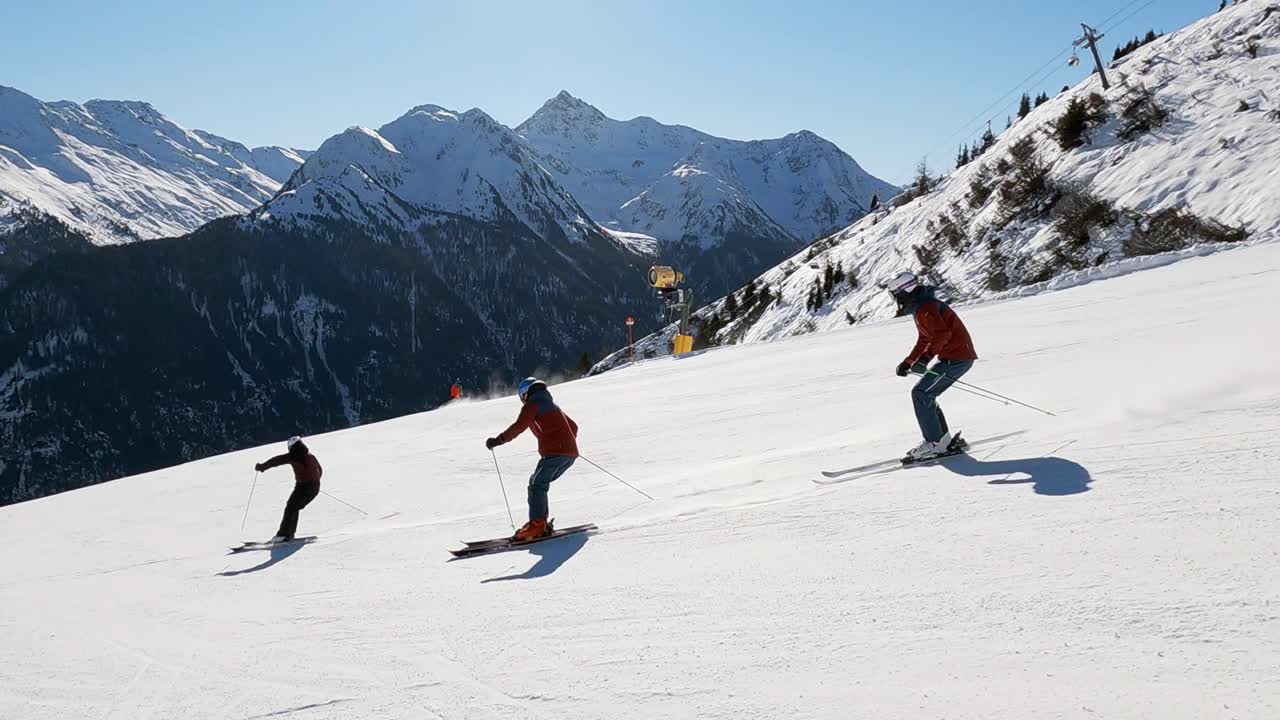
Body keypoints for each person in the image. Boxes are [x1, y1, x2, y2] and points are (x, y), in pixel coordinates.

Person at [885, 271, 979, 460]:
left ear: (904, 291)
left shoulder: (926, 307)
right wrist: (909, 361)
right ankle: (941, 441)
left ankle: (935, 444)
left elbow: (941, 335)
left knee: (921, 393)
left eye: (895, 294)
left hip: (957, 359)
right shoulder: (922, 306)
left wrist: (924, 359)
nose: (895, 299)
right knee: (926, 394)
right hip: (954, 357)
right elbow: (925, 338)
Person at [485, 377, 579, 541]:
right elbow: (574, 427)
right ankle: (540, 523)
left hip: (554, 454)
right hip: (568, 455)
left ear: (525, 394)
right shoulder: (552, 405)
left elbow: (519, 426)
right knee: (538, 483)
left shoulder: (533, 405)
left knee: (537, 485)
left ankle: (537, 526)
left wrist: (498, 440)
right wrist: (566, 442)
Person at [254, 436, 323, 542]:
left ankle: (283, 535)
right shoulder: (310, 456)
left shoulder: (294, 456)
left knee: (291, 507)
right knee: (294, 508)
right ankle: (288, 534)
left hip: (303, 488)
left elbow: (277, 460)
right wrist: (314, 481)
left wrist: (263, 466)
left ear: (291, 446)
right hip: (314, 488)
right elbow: (320, 470)